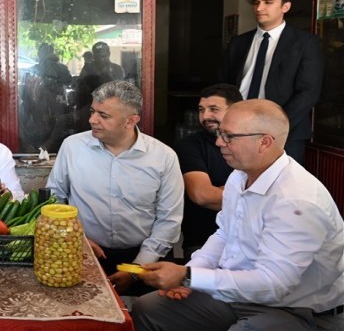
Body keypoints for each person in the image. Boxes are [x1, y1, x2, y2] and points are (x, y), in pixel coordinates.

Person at [132, 99, 344, 331]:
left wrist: (188, 276)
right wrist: (189, 275)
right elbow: (224, 234)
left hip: (299, 309)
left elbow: (274, 284)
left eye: (229, 136)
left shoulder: (296, 199)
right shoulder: (239, 176)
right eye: (221, 133)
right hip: (242, 294)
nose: (219, 142)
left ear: (264, 142)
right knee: (148, 308)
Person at [45, 80, 184, 296]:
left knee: (142, 313)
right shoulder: (73, 147)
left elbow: (169, 220)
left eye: (104, 115)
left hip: (146, 259)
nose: (92, 120)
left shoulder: (163, 157)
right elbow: (55, 199)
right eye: (93, 111)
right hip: (81, 252)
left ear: (130, 121)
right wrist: (76, 238)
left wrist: (136, 270)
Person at [219, 0, 324, 164]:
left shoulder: (305, 43)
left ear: (286, 6)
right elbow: (224, 85)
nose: (259, 8)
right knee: (236, 178)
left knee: (281, 180)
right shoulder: (239, 43)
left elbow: (308, 92)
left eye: (268, 2)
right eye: (256, 2)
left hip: (284, 132)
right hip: (237, 129)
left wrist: (276, 126)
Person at [172, 83, 242, 260]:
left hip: (248, 240)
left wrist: (222, 191)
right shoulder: (188, 145)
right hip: (202, 242)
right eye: (201, 110)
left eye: (213, 109)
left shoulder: (251, 142)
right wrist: (250, 197)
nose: (205, 116)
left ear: (235, 111)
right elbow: (202, 196)